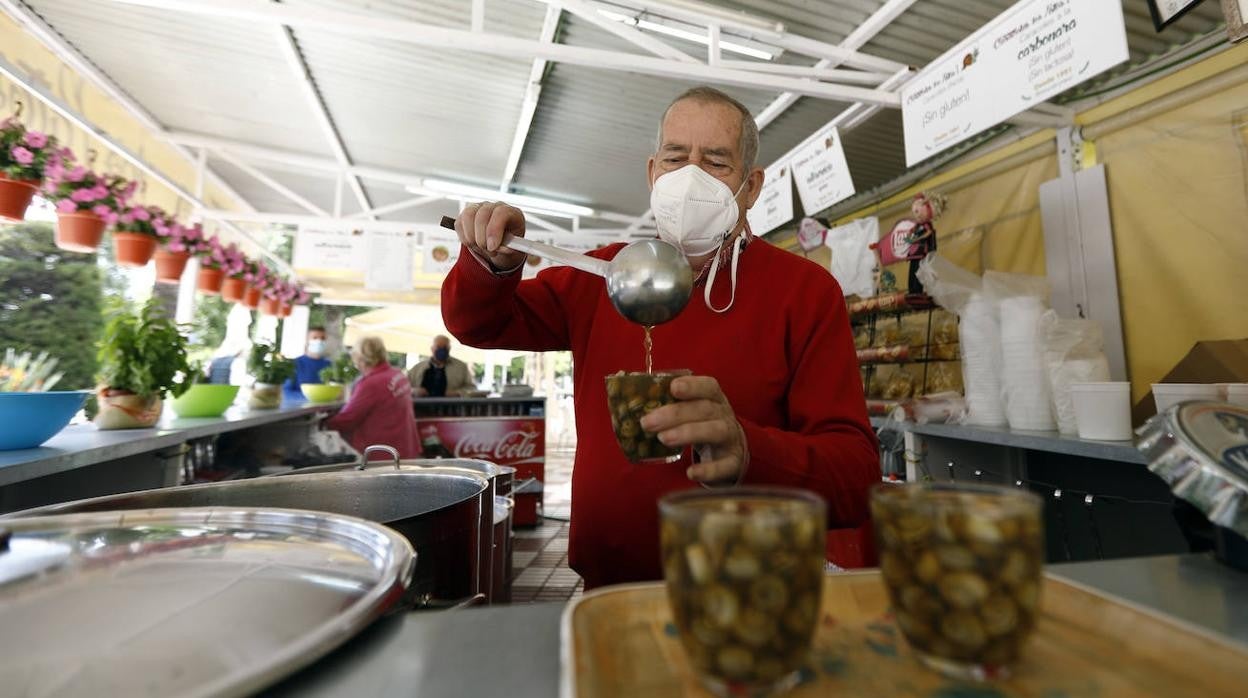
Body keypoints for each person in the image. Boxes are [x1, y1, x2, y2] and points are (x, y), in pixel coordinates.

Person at [441, 86, 879, 589]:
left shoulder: (804, 292)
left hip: (751, 590)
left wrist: (749, 450)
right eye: (675, 158)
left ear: (752, 187)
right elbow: (477, 323)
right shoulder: (602, 274)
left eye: (716, 162)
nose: (691, 176)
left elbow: (856, 475)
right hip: (610, 583)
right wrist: (490, 261)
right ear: (653, 173)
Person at [324, 336, 420, 458]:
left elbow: (348, 419)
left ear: (359, 358)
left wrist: (323, 423)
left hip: (382, 454)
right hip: (406, 448)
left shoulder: (371, 383)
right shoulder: (398, 375)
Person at [407, 335, 475, 397]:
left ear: (449, 349)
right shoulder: (417, 368)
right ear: (432, 348)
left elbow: (472, 388)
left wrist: (457, 393)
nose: (442, 350)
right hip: (421, 406)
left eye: (445, 347)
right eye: (438, 347)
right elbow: (403, 387)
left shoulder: (461, 367)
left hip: (451, 406)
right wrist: (413, 391)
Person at [285, 326, 332, 396]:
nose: (319, 341)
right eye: (315, 338)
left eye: (323, 338)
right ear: (307, 340)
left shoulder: (329, 365)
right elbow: (286, 391)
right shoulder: (294, 364)